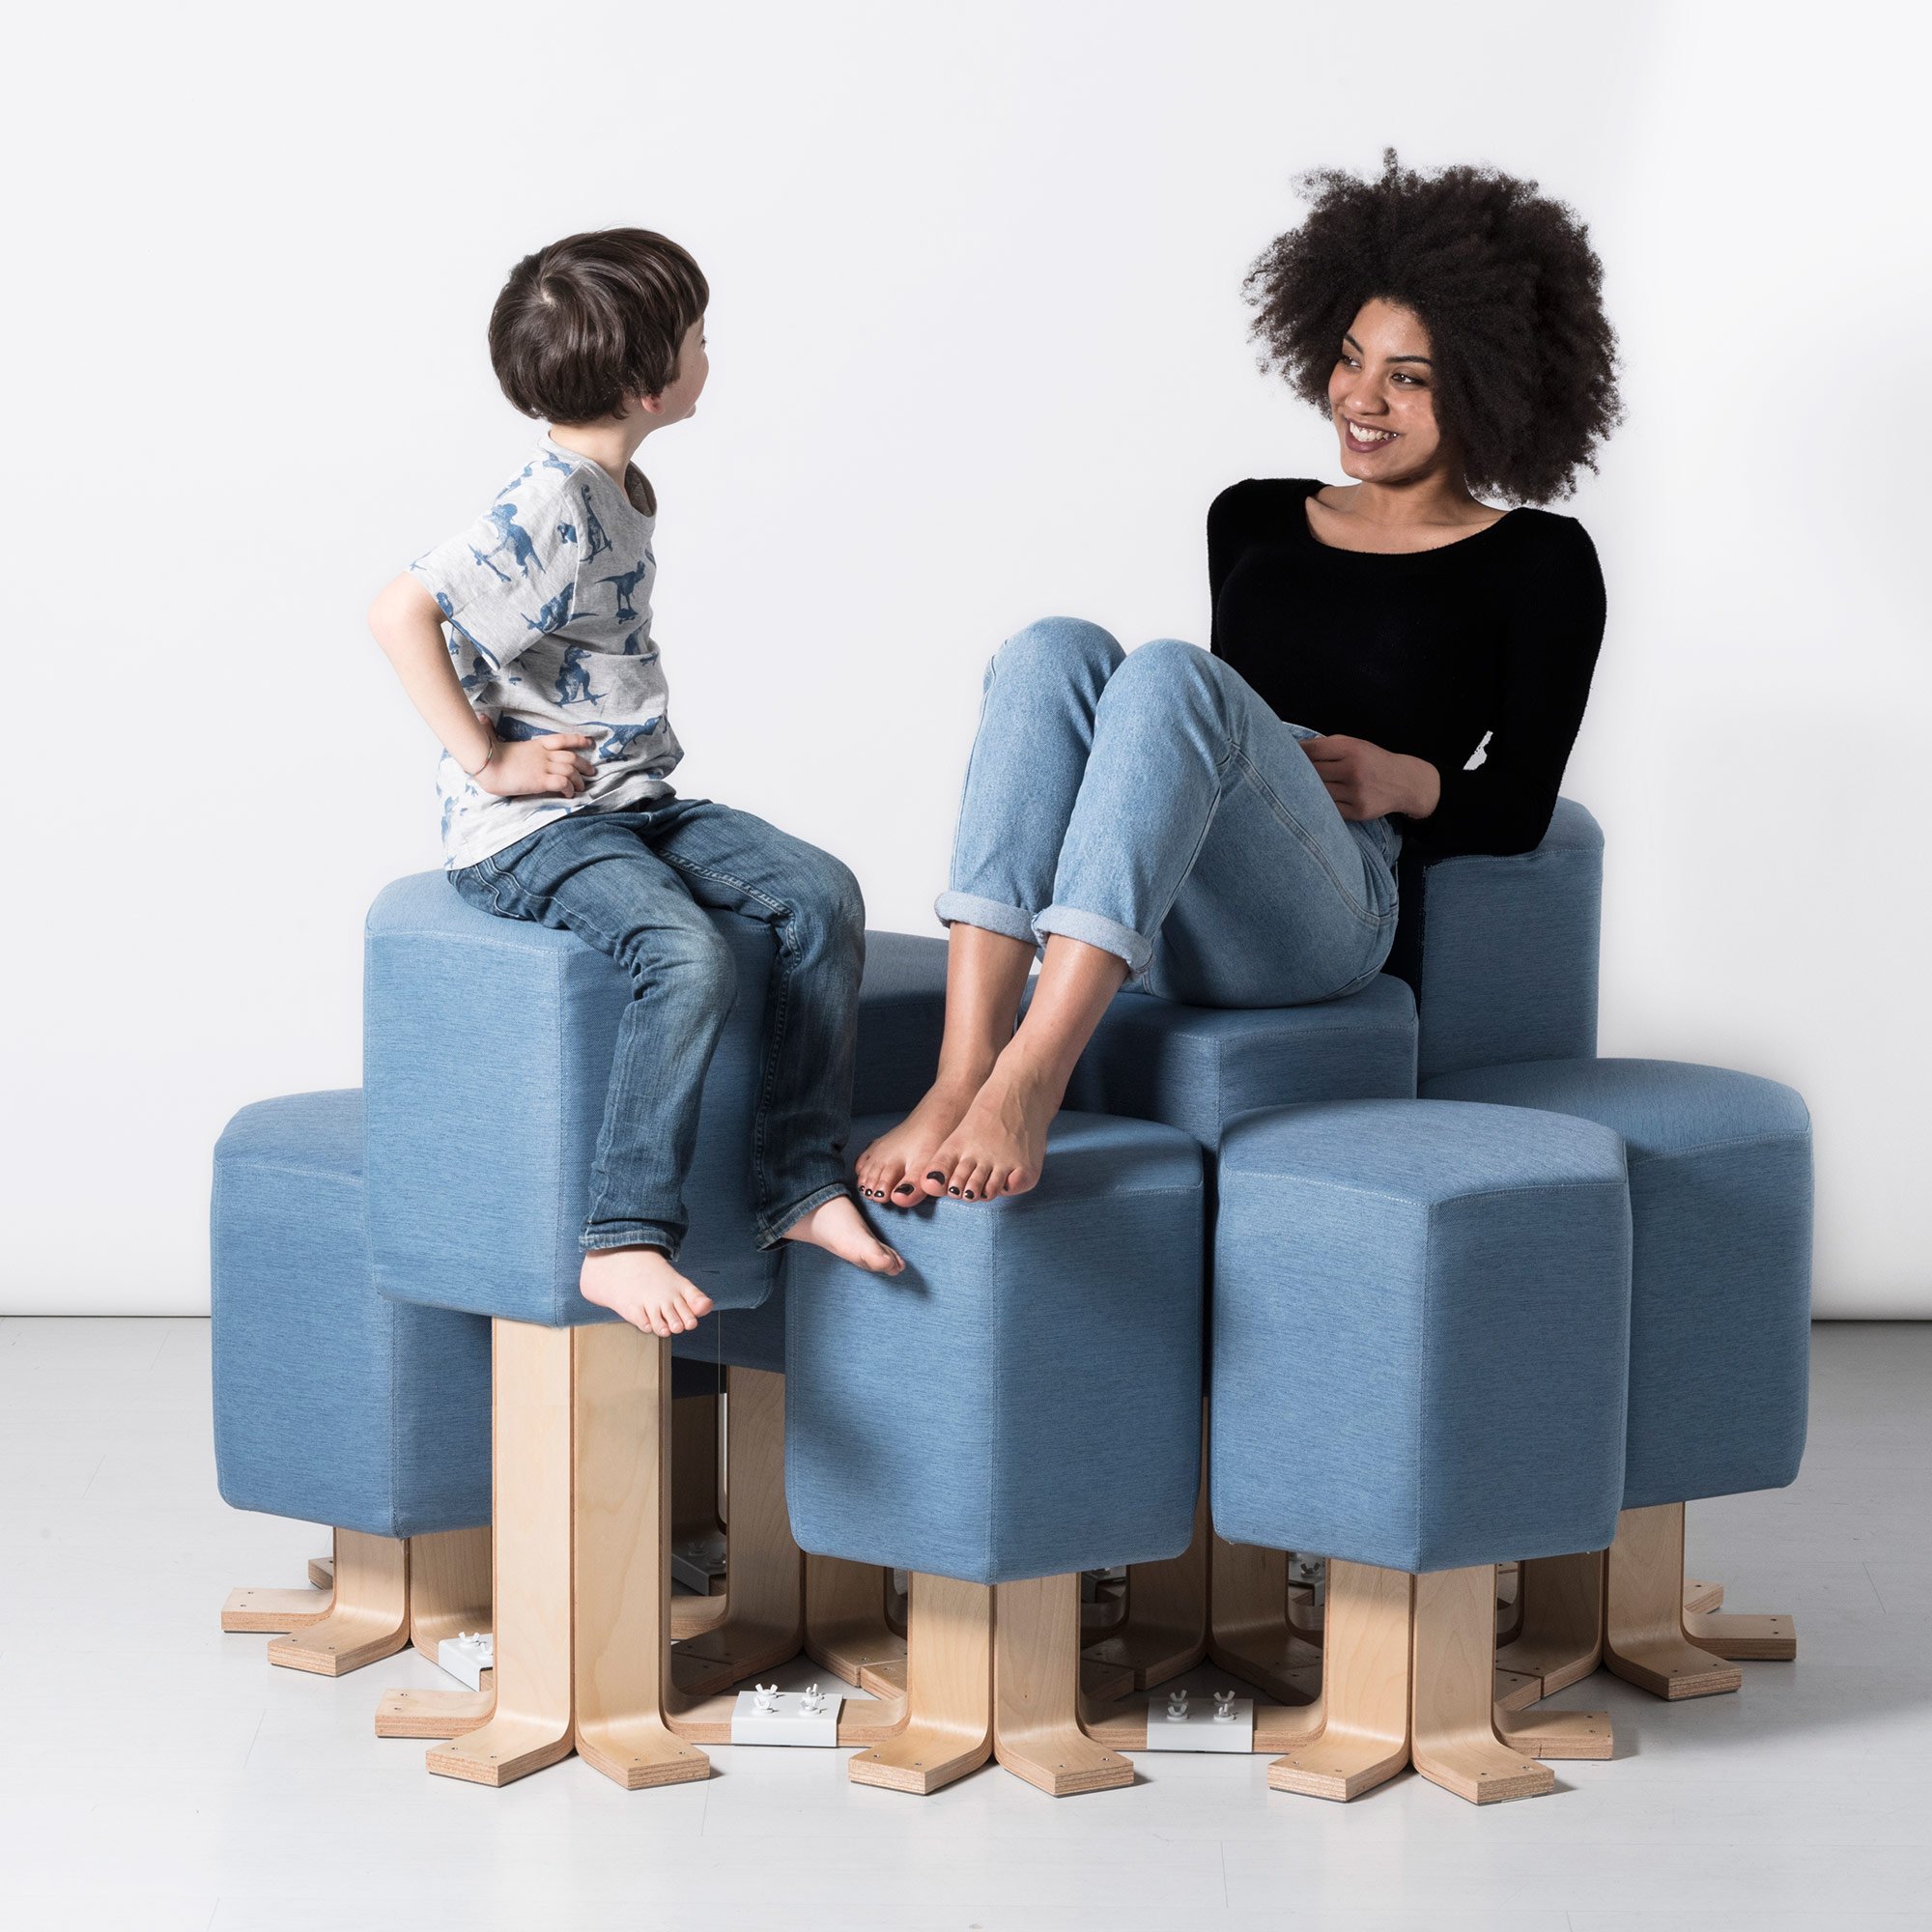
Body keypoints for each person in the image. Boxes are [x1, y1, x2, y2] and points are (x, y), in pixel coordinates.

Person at [857, 148, 1618, 1208]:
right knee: (1051, 648)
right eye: (1349, 360)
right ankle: (958, 1076)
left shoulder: (1539, 561)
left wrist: (1412, 782)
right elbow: (1199, 745)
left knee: (1173, 674)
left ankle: (1031, 1078)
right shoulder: (1251, 514)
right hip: (1162, 894)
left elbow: (1525, 797)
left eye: (1407, 377)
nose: (1360, 398)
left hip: (1330, 907)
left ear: (1490, 386)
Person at [368, 226, 902, 1339]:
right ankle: (621, 1237)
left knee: (819, 894)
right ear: (645, 383)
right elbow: (399, 610)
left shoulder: (616, 482)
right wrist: (489, 760)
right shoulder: (552, 502)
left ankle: (799, 1182)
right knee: (684, 952)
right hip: (531, 829)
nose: (712, 354)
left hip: (628, 801)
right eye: (699, 337)